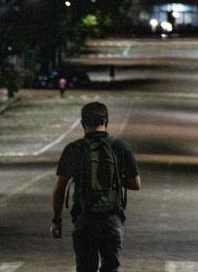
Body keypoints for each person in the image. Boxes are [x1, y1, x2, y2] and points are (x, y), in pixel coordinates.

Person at [52, 102, 141, 272]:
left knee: (85, 268)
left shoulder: (73, 149)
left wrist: (56, 220)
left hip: (84, 219)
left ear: (83, 123)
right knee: (111, 268)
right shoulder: (120, 146)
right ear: (106, 121)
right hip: (111, 219)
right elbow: (135, 184)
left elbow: (59, 188)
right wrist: (114, 179)